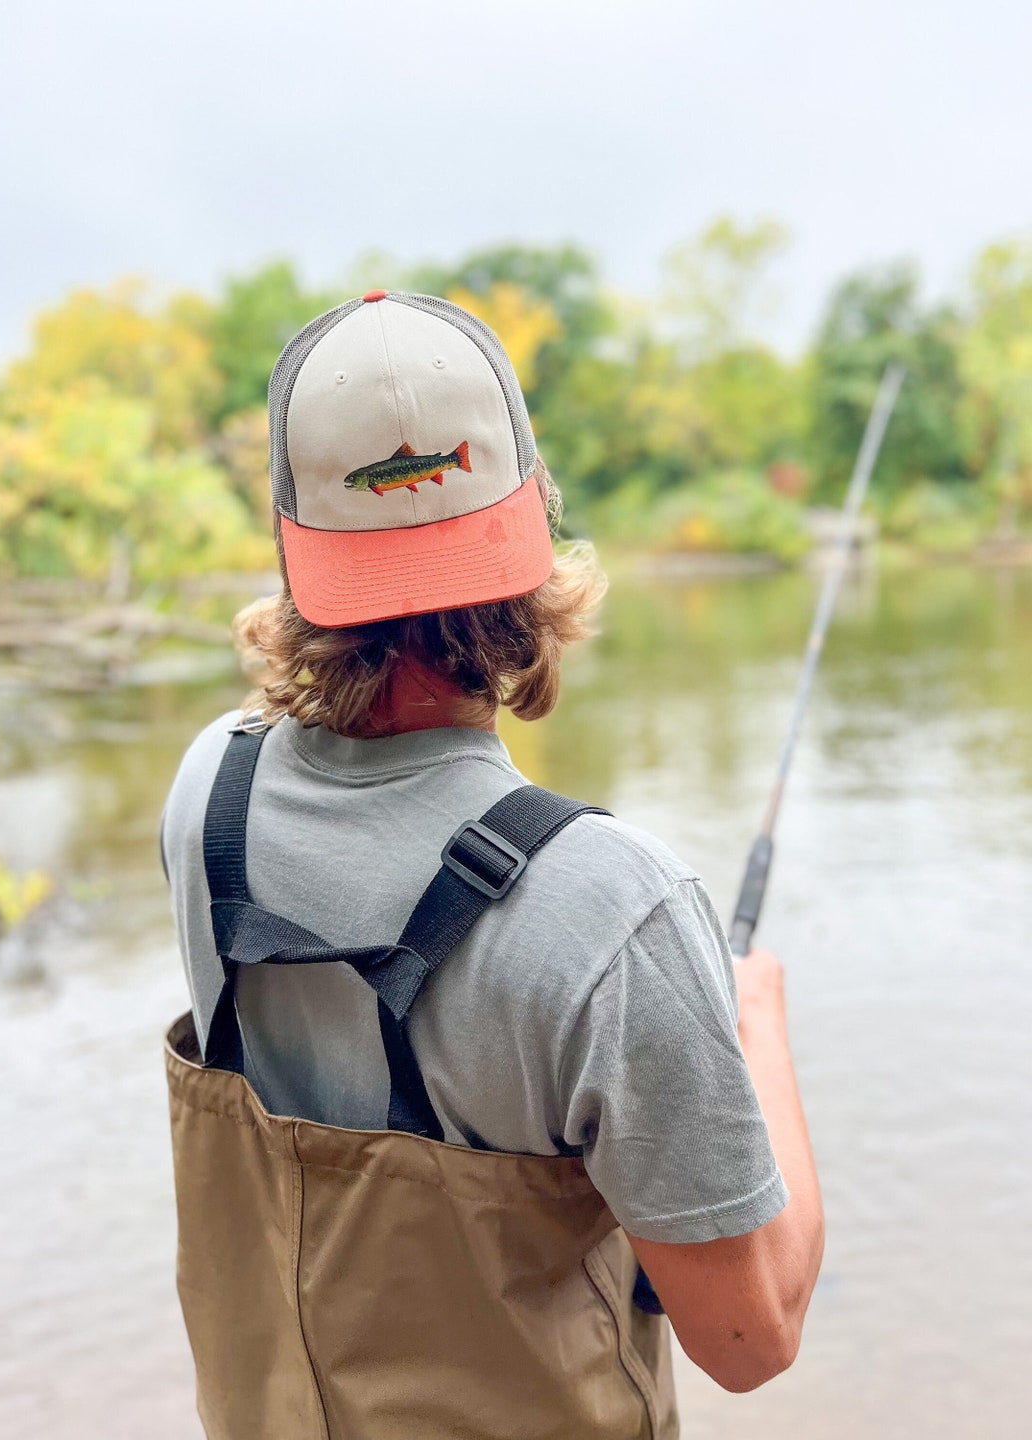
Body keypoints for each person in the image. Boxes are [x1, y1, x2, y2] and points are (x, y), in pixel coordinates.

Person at [161, 289, 824, 1440]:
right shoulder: (613, 908)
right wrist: (754, 1026)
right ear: (532, 536)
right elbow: (751, 1338)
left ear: (292, 549)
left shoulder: (206, 792)